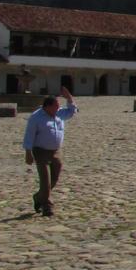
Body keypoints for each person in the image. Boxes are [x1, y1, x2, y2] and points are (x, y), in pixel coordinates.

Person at [22, 87, 78, 216]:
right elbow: (29, 135)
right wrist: (28, 152)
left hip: (56, 151)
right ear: (47, 107)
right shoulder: (36, 117)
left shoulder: (58, 113)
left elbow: (71, 111)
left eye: (58, 106)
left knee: (54, 178)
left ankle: (38, 197)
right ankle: (47, 206)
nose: (58, 109)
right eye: (56, 106)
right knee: (45, 180)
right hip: (40, 151)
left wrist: (69, 98)